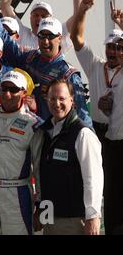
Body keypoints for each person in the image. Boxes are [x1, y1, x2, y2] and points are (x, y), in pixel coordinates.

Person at [0, 0, 92, 127]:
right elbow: (3, 37)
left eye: (50, 36)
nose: (45, 41)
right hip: (31, 129)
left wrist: (88, 138)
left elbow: (82, 114)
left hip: (57, 132)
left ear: (60, 38)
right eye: (42, 36)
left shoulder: (68, 74)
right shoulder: (31, 58)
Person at [0, 71, 43, 235]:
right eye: (4, 88)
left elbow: (39, 167)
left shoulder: (33, 124)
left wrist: (40, 204)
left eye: (13, 89)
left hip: (17, 194)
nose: (7, 94)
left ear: (24, 93)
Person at [37, 79, 103, 235]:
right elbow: (44, 175)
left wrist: (93, 216)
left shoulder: (82, 134)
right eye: (52, 98)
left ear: (72, 100)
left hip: (74, 219)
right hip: (50, 217)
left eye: (61, 98)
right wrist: (41, 209)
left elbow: (93, 178)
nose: (56, 103)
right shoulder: (45, 132)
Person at [69, 0, 122, 144]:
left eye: (118, 48)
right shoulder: (95, 65)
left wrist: (121, 23)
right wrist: (82, 10)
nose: (113, 51)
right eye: (110, 47)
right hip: (96, 131)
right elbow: (76, 37)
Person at [102, 30, 123, 235]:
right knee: (112, 201)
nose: (117, 52)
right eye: (114, 47)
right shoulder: (115, 77)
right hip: (114, 143)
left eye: (121, 47)